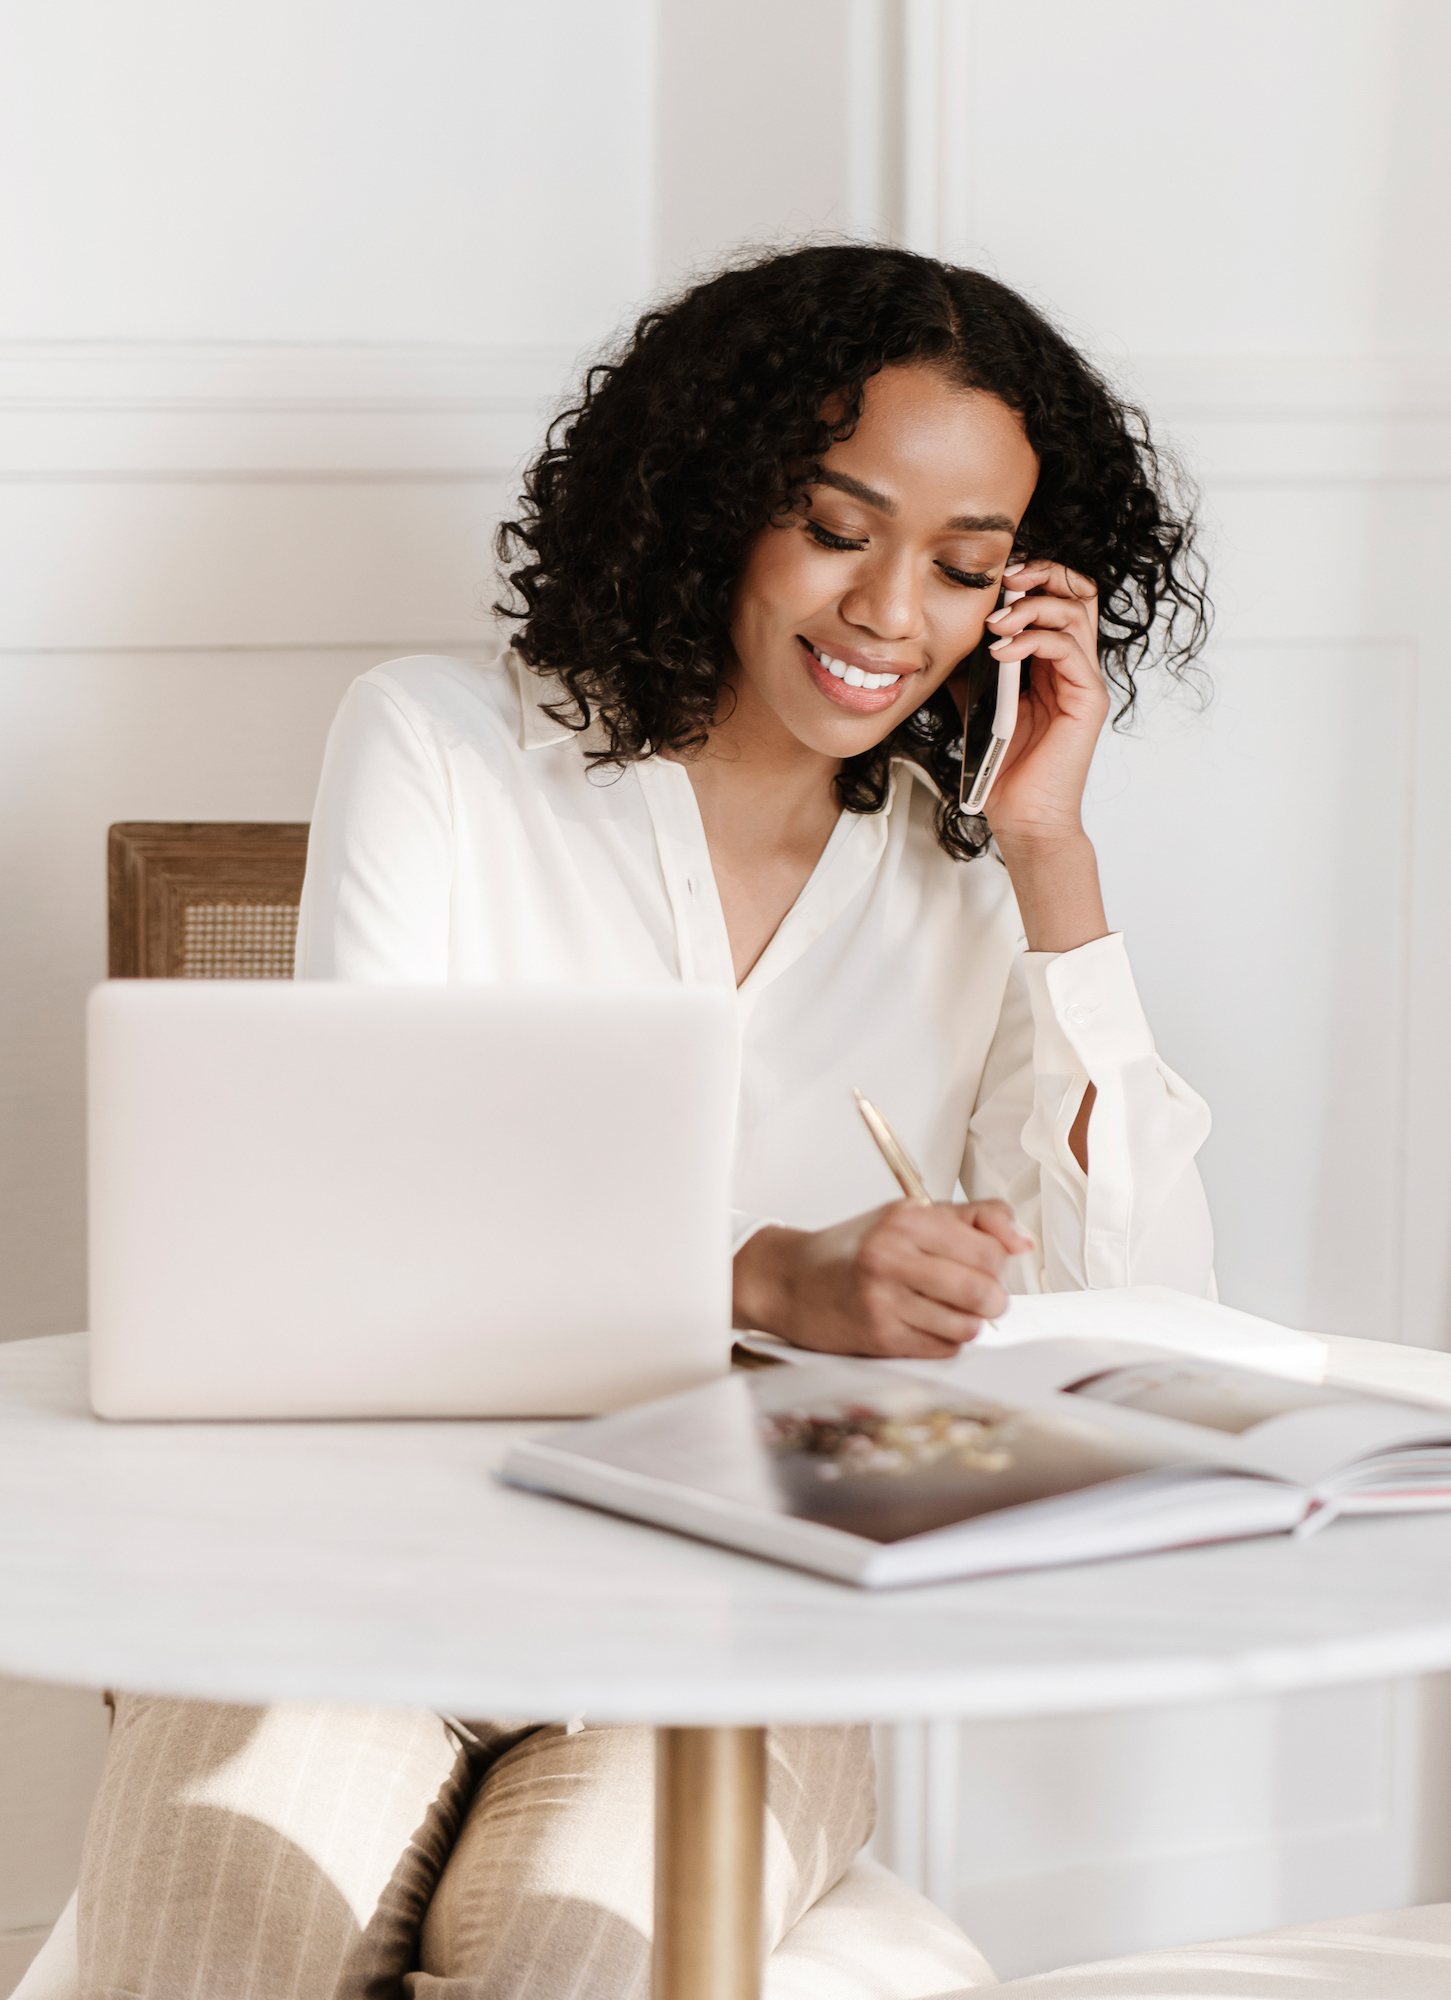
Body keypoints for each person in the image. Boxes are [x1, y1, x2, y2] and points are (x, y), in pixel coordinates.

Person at [73, 243, 1215, 1998]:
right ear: (715, 498)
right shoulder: (444, 754)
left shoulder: (971, 887)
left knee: (568, 1965)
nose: (892, 616)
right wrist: (758, 1280)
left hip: (739, 1622)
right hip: (370, 1571)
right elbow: (343, 1245)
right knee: (219, 1951)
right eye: (838, 529)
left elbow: (1139, 1316)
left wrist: (1057, 861)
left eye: (966, 567)